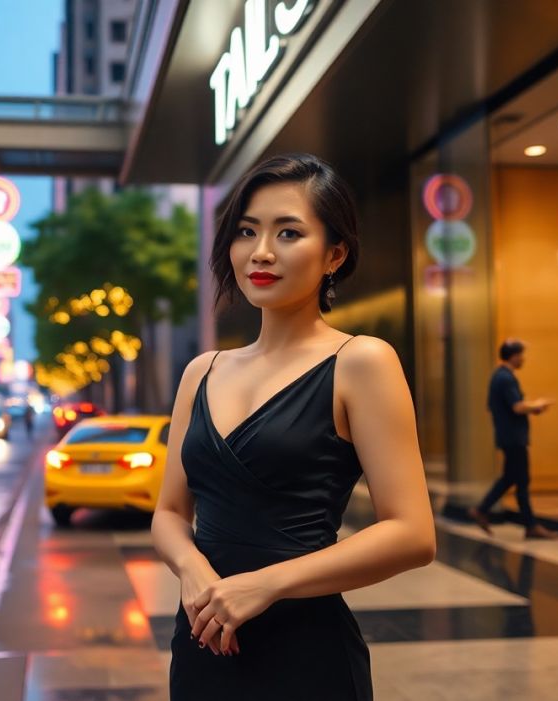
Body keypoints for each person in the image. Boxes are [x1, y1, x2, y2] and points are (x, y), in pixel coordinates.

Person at [151, 153, 436, 700]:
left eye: (288, 232)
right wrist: (192, 570)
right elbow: (168, 513)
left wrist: (266, 585)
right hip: (204, 642)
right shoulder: (201, 371)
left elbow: (413, 533)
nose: (260, 252)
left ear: (334, 254)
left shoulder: (362, 362)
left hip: (307, 656)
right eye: (247, 231)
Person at [468, 340, 558, 539]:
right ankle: (529, 525)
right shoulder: (505, 378)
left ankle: (484, 510)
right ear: (513, 355)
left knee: (511, 478)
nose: (523, 358)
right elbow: (517, 407)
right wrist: (537, 404)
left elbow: (493, 407)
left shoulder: (498, 377)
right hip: (514, 437)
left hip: (508, 435)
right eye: (521, 354)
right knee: (522, 480)